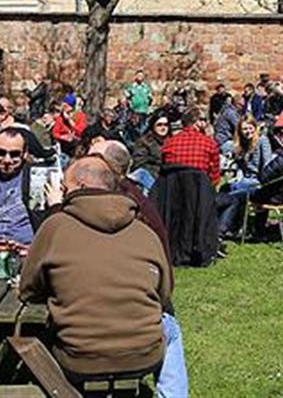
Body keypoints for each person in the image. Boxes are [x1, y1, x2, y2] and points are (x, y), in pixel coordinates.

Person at [19, 157, 173, 386]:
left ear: (80, 187)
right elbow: (164, 294)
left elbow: (28, 290)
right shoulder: (145, 232)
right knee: (171, 327)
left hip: (79, 358)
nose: (61, 193)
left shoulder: (55, 227)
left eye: (64, 187)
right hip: (144, 355)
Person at [161, 107, 220, 187]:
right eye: (204, 120)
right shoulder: (210, 144)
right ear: (198, 122)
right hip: (201, 193)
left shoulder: (168, 144)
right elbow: (215, 179)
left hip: (173, 193)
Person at [130, 115, 170, 191]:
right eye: (159, 125)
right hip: (149, 177)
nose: (163, 127)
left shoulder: (172, 141)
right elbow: (139, 162)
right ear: (153, 126)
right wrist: (156, 161)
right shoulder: (145, 141)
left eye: (166, 125)